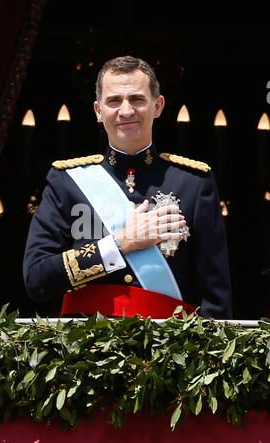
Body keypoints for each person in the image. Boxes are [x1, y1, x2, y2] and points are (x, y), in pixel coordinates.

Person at [23, 55, 232, 319]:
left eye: (137, 99)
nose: (126, 111)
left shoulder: (194, 183)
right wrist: (121, 244)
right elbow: (37, 279)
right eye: (114, 101)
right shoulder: (66, 182)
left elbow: (215, 298)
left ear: (158, 106)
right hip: (85, 352)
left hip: (171, 352)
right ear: (98, 111)